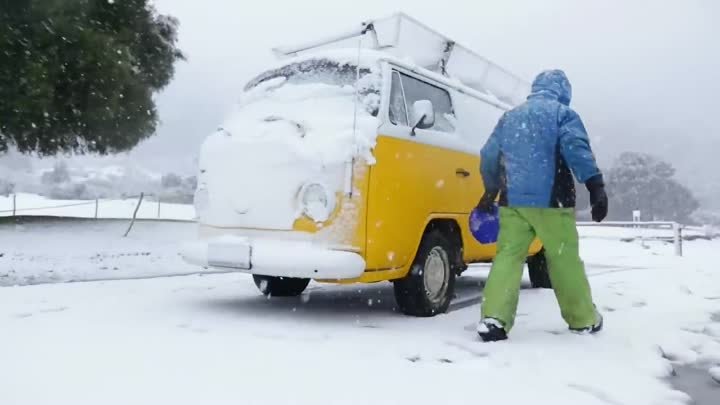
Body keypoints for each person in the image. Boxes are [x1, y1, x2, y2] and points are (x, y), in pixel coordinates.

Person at [475, 69, 608, 342]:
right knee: (563, 260)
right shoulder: (563, 114)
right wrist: (595, 185)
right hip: (553, 203)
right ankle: (582, 319)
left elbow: (489, 154)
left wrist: (491, 190)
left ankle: (494, 319)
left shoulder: (510, 117)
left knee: (508, 258)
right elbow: (576, 149)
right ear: (564, 92)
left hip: (513, 203)